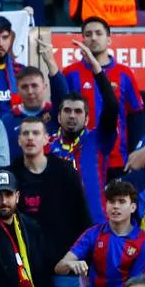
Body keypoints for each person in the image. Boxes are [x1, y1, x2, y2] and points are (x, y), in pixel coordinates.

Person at [49, 180, 145, 287]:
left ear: (133, 207)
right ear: (106, 206)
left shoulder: (144, 242)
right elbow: (59, 267)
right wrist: (71, 263)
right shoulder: (94, 233)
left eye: (122, 201)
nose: (115, 206)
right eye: (111, 201)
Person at [10, 118, 90, 287]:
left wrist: (78, 257)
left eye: (36, 133)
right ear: (19, 140)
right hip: (25, 269)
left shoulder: (66, 172)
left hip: (63, 267)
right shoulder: (10, 174)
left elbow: (83, 219)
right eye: (25, 133)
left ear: (46, 139)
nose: (30, 138)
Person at [64, 17, 144, 173]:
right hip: (81, 159)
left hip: (118, 162)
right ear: (83, 40)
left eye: (98, 33)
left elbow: (136, 116)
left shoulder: (124, 73)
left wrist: (135, 152)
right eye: (88, 34)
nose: (93, 37)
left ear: (109, 40)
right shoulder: (70, 73)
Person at [49, 68, 119, 224]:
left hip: (94, 225)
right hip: (58, 226)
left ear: (87, 119)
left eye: (78, 111)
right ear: (59, 117)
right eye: (67, 111)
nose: (72, 115)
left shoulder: (98, 139)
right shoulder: (47, 146)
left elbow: (112, 106)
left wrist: (97, 71)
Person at [0, 60, 66, 159]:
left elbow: (63, 96)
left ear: (44, 87)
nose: (30, 91)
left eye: (34, 86)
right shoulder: (6, 121)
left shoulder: (57, 116)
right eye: (24, 87)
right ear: (17, 90)